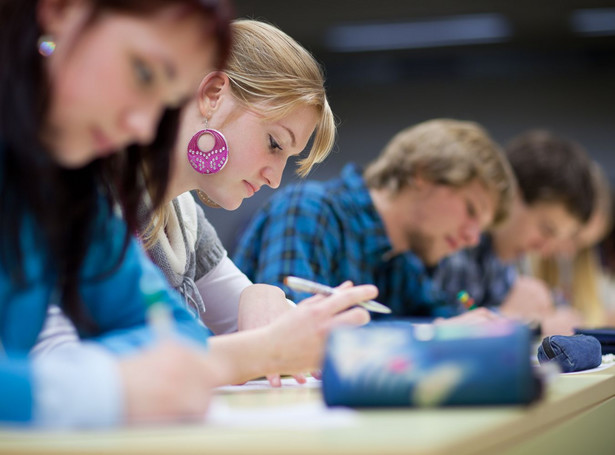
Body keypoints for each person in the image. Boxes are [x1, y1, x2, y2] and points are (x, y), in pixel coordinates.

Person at [0, 0, 378, 428]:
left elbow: (167, 337)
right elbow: (58, 362)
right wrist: (252, 351)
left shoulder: (79, 186)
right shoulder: (87, 180)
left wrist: (258, 298)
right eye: (142, 72)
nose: (143, 126)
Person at [234, 119, 515, 318]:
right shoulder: (309, 209)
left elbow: (451, 320)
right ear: (424, 173)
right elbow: (295, 334)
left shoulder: (403, 260)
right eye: (471, 209)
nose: (472, 238)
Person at [434, 130, 596, 334]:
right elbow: (438, 330)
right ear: (512, 195)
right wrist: (519, 321)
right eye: (545, 229)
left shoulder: (501, 263)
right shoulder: (453, 243)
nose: (544, 250)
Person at [530, 161, 612, 327]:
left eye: (584, 248)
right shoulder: (522, 255)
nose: (569, 253)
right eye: (573, 236)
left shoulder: (589, 275)